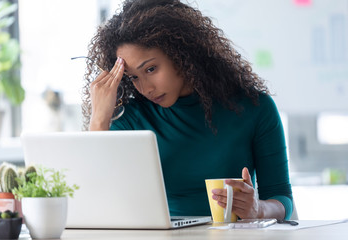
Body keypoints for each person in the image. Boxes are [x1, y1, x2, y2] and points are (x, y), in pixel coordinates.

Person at [82, 0, 293, 220]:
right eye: (133, 77)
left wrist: (258, 209)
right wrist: (99, 120)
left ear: (181, 55)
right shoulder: (130, 120)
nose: (146, 88)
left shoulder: (254, 107)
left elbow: (281, 197)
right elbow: (94, 200)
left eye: (151, 69)